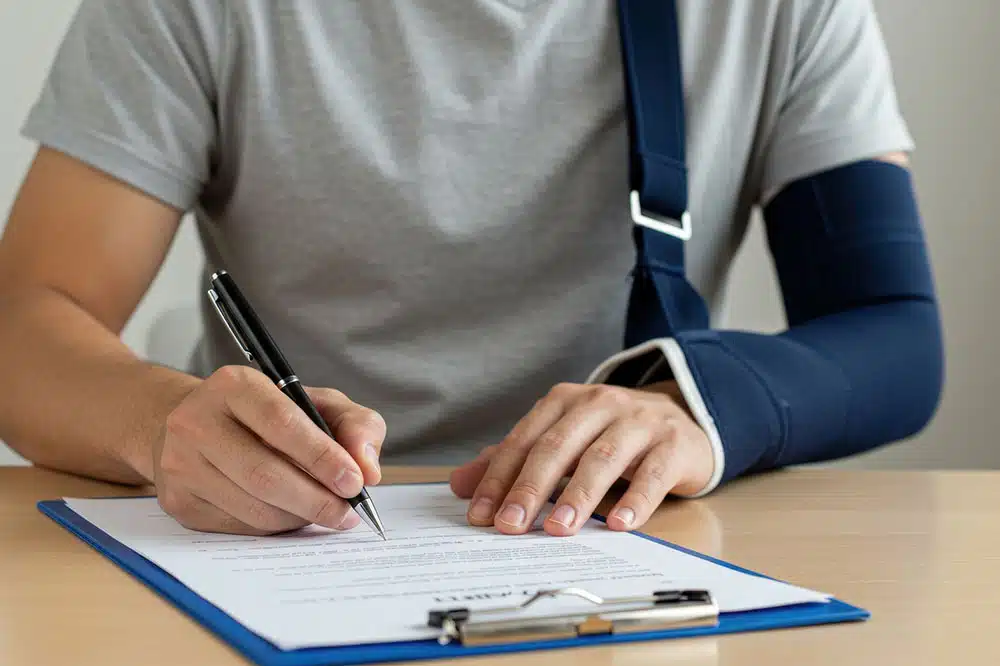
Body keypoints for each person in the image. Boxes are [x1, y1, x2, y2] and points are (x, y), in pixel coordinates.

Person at [0, 0, 942, 538]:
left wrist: (695, 408)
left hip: (627, 556)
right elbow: (24, 322)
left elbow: (894, 333)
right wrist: (163, 423)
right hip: (288, 553)